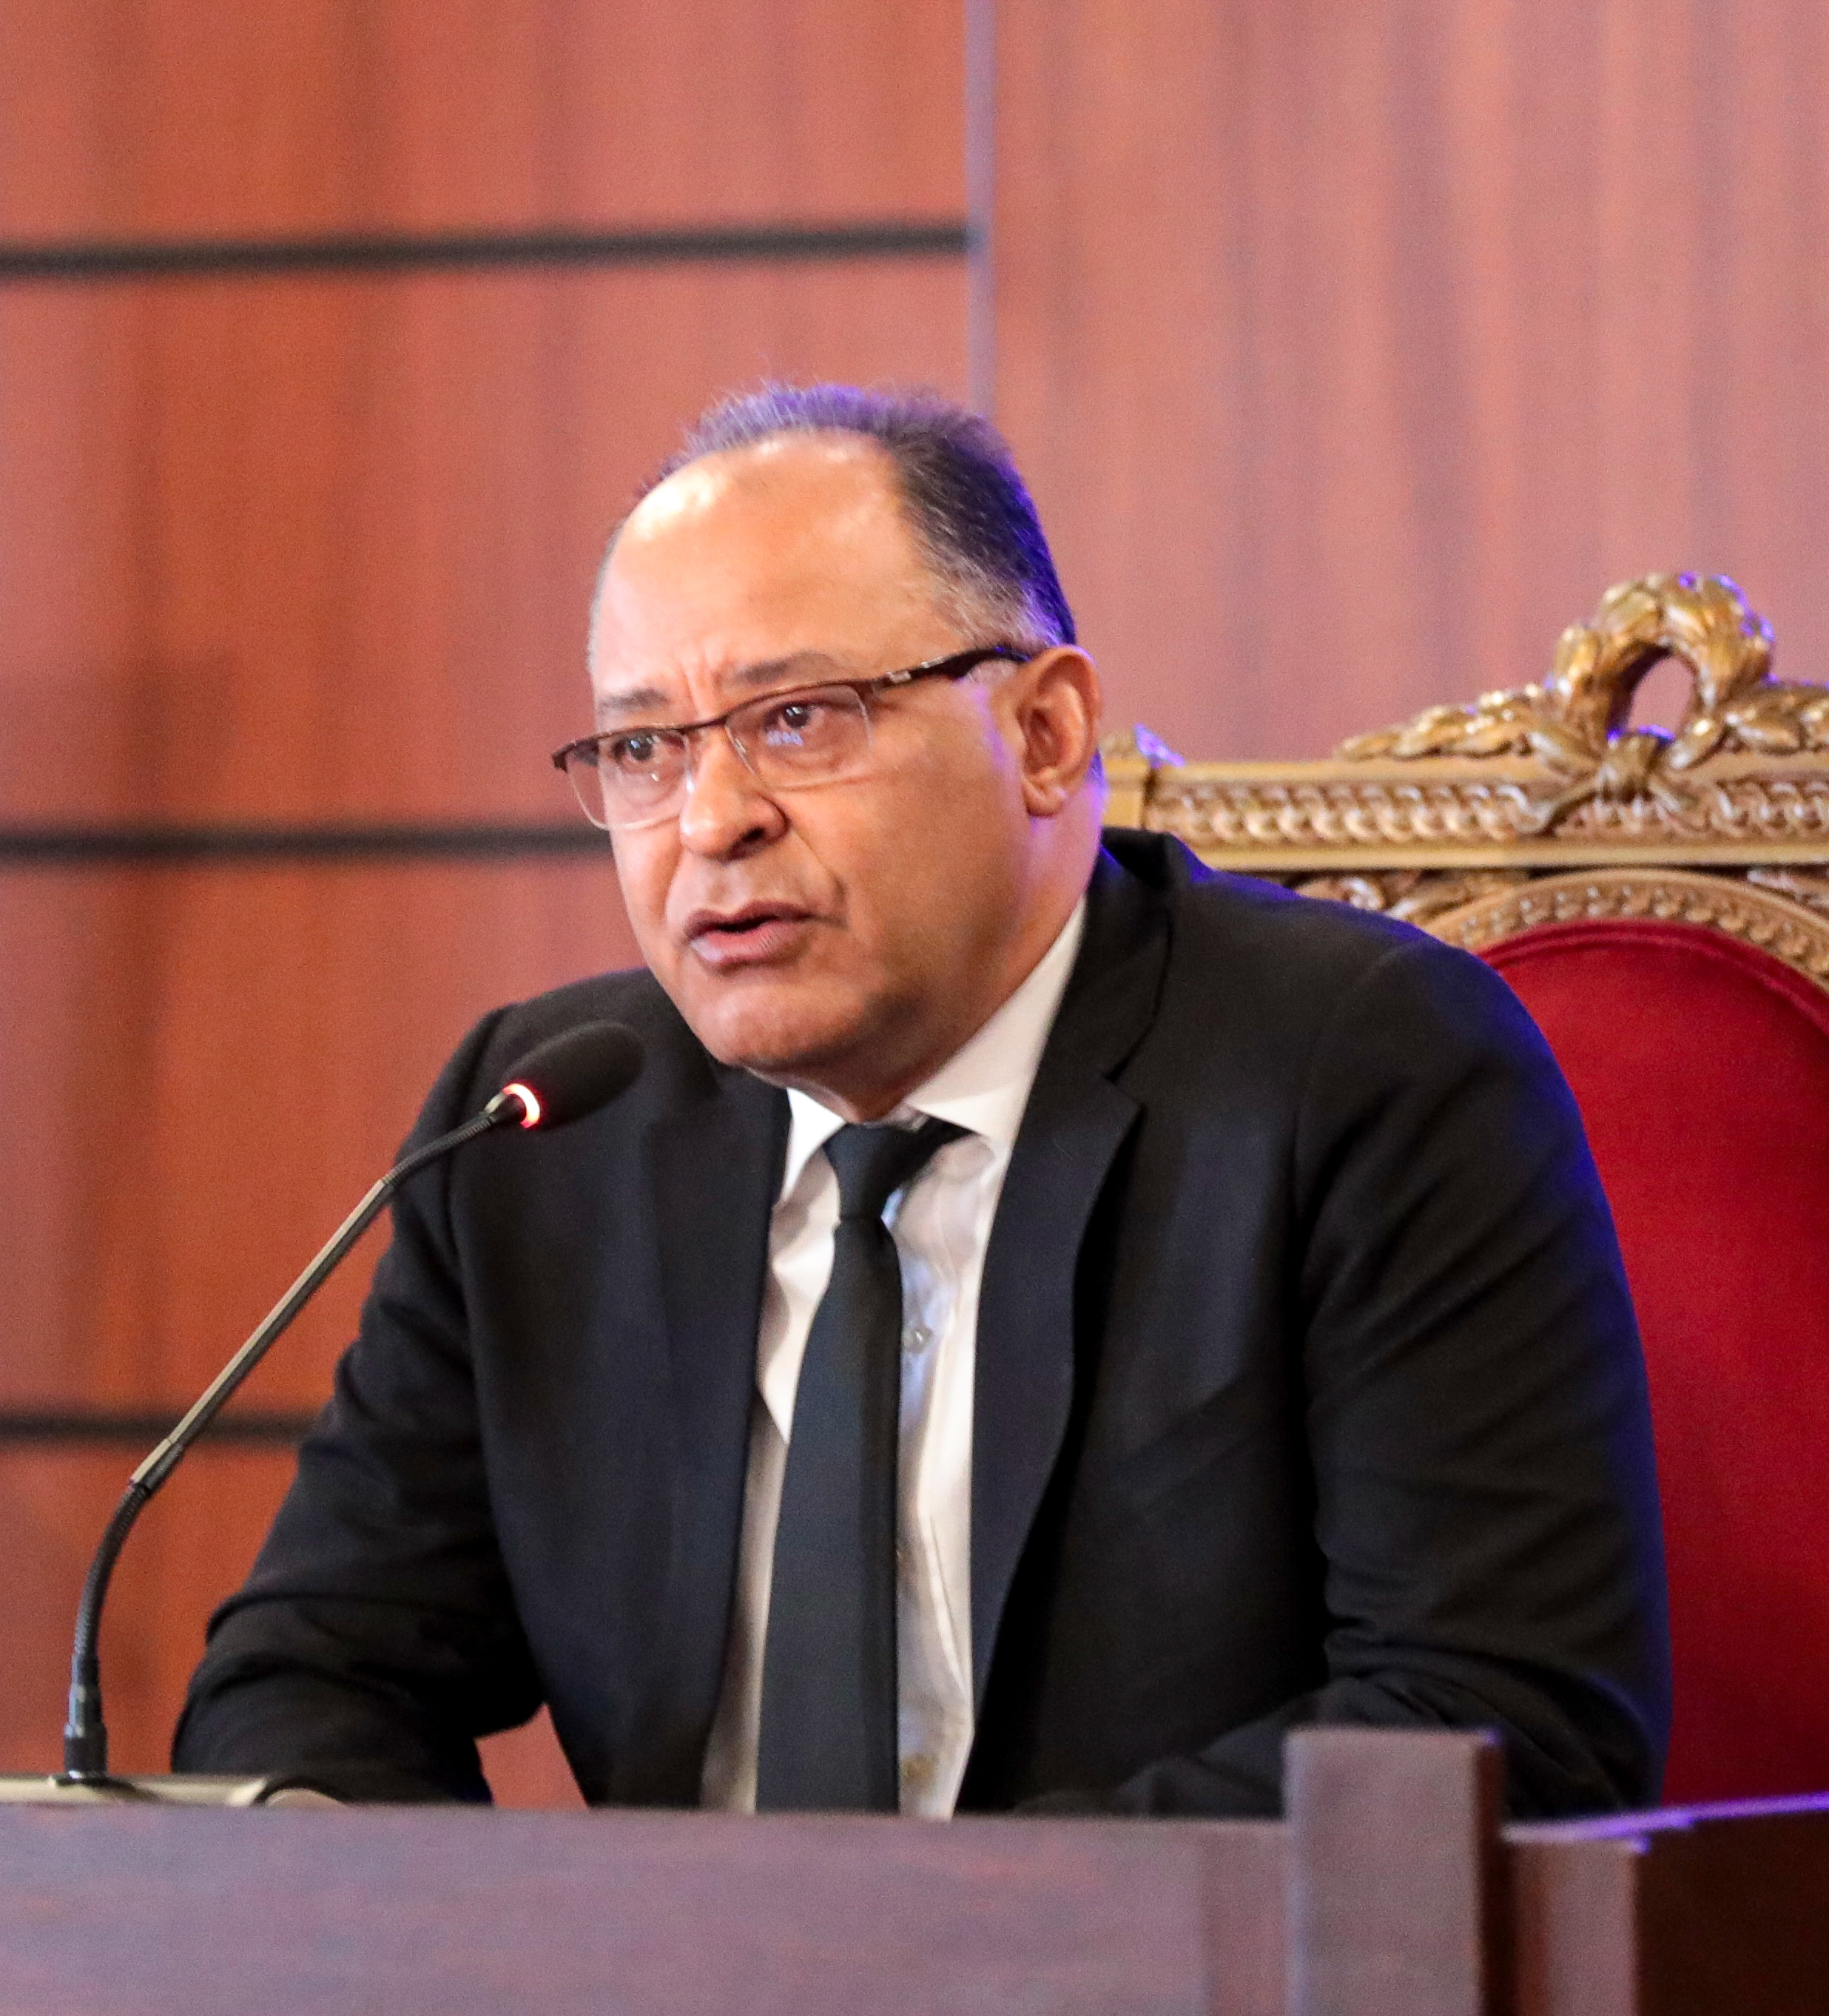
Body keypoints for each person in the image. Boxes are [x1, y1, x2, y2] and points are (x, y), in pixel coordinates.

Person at [173, 384, 1669, 1816]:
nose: (712, 820)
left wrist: (936, 1939)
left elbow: (1495, 1717)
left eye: (798, 718)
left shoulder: (1360, 1073)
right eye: (643, 749)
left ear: (1045, 736)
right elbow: (307, 1676)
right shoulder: (543, 1129)